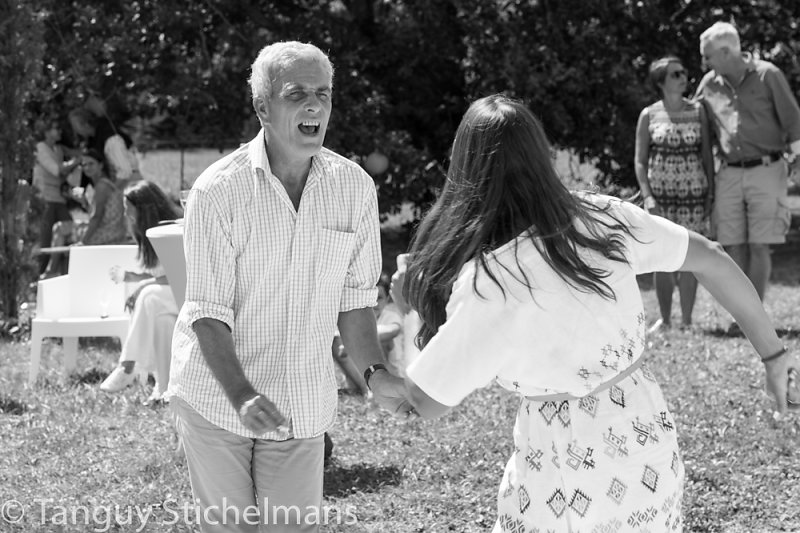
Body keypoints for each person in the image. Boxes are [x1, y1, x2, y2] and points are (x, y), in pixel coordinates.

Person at [395, 94, 797, 531]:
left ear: (465, 169)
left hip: (558, 464)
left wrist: (409, 310)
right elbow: (712, 258)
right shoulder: (603, 216)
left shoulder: (488, 282)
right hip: (645, 436)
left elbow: (425, 401)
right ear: (540, 153)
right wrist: (773, 356)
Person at [166, 41, 412, 532]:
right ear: (263, 108)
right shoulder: (218, 191)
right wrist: (242, 395)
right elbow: (208, 313)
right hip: (217, 398)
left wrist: (376, 375)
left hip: (302, 403)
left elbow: (355, 302)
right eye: (297, 94)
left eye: (323, 93)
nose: (314, 106)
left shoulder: (355, 188)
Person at [695, 22, 800, 304]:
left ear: (726, 52)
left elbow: (793, 121)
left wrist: (799, 161)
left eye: (707, 56)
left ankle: (756, 315)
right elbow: (695, 119)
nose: (704, 62)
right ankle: (740, 314)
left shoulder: (768, 74)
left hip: (767, 169)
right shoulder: (708, 83)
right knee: (731, 247)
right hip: (728, 172)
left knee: (759, 245)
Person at [634, 56, 714, 333]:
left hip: (694, 194)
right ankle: (665, 320)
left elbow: (707, 156)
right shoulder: (649, 114)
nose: (683, 77)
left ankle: (687, 321)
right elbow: (640, 161)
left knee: (690, 257)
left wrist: (710, 195)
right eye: (675, 74)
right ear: (661, 82)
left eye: (683, 72)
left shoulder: (697, 111)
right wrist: (648, 197)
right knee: (662, 257)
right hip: (660, 197)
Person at [100, 180, 182, 405]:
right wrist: (132, 277)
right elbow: (159, 275)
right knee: (162, 322)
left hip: (187, 295)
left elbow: (175, 276)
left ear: (144, 208)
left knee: (148, 296)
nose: (126, 214)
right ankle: (164, 389)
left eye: (129, 208)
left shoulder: (173, 230)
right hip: (168, 300)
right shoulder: (145, 234)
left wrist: (142, 287)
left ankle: (127, 366)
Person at [32, 118, 80, 274]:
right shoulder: (40, 147)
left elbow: (63, 173)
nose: (59, 131)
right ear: (46, 131)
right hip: (43, 200)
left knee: (69, 231)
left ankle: (56, 272)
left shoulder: (58, 149)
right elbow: (57, 170)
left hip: (58, 199)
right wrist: (76, 161)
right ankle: (38, 275)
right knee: (44, 241)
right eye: (55, 128)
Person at [69, 107, 142, 184]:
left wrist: (113, 189)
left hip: (135, 179)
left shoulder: (110, 139)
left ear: (86, 124)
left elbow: (125, 172)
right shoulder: (93, 141)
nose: (75, 131)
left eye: (75, 127)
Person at [76, 149, 129, 246]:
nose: (87, 167)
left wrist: (83, 242)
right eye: (84, 165)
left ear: (101, 165)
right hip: (115, 232)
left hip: (108, 234)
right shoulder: (104, 184)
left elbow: (97, 217)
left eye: (91, 164)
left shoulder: (102, 186)